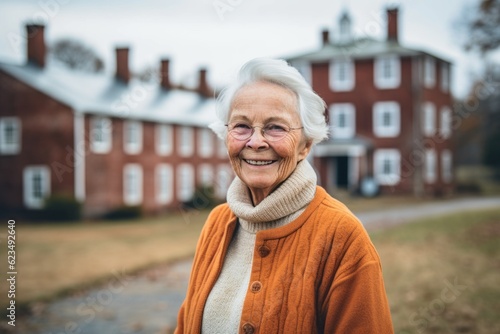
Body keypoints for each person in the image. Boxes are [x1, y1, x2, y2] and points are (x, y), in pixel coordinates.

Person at [175, 58, 393, 333]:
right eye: (241, 126)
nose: (255, 142)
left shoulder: (342, 237)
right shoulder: (217, 224)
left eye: (275, 127)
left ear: (305, 146)